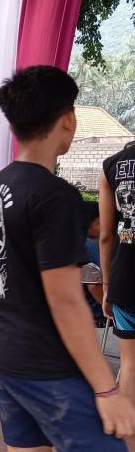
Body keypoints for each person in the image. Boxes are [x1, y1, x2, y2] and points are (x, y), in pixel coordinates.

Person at [0, 65, 133, 452]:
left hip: (2, 346)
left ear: (13, 122)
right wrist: (106, 389)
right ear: (68, 119)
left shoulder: (0, 183)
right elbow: (66, 301)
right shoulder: (54, 195)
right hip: (44, 362)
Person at [100, 136, 135, 403]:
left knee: (129, 363)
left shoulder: (112, 165)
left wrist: (106, 287)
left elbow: (106, 236)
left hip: (125, 278)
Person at [80, 200, 105, 325]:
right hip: (98, 315)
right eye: (101, 223)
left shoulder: (71, 241)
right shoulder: (89, 245)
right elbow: (94, 284)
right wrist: (111, 311)